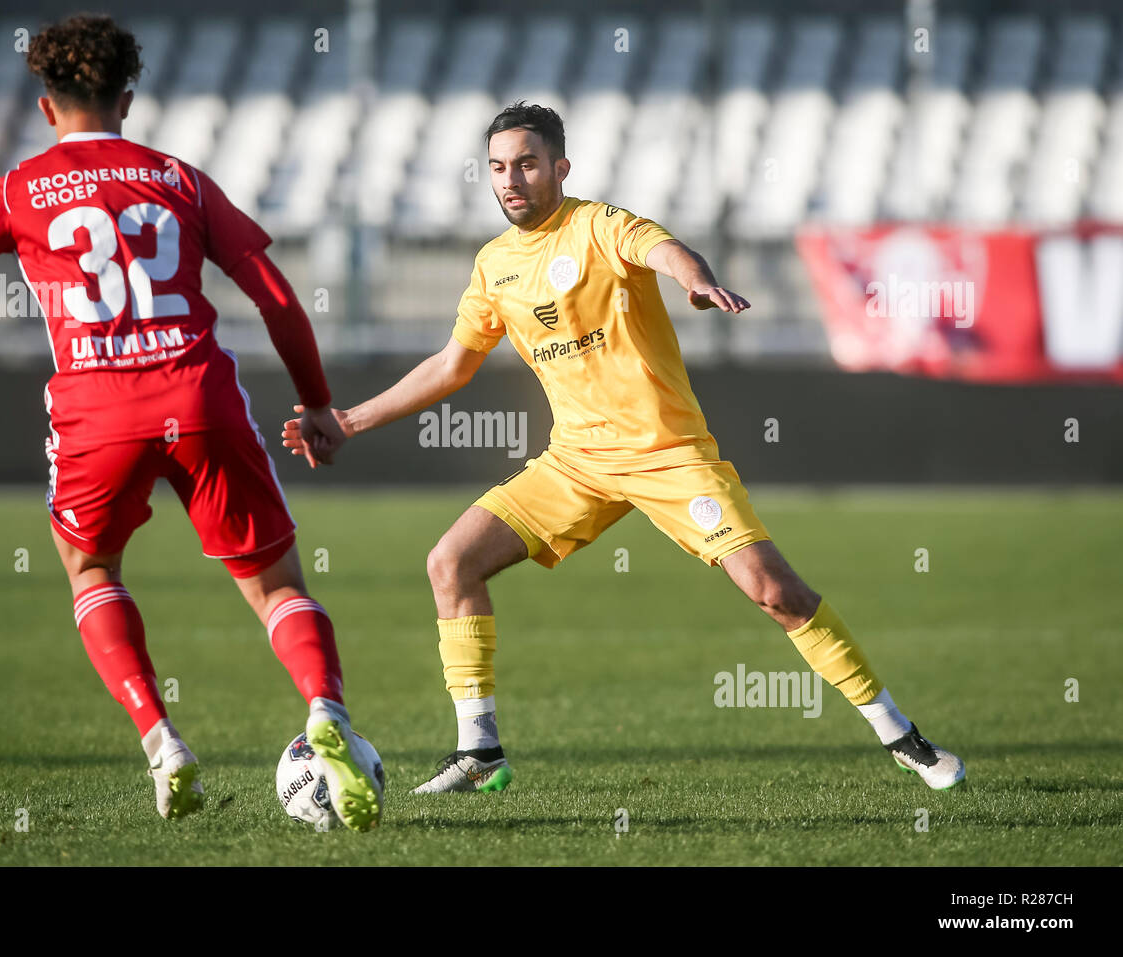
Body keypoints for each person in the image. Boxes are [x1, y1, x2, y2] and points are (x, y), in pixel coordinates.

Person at [283, 101, 964, 795]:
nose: (510, 179)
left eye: (525, 163)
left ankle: (900, 734)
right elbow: (453, 364)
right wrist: (350, 419)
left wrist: (692, 277)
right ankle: (479, 752)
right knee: (451, 562)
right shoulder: (493, 266)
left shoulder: (599, 225)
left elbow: (663, 249)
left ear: (559, 167)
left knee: (775, 591)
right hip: (576, 460)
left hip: (669, 454)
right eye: (497, 167)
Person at [0, 14, 379, 828]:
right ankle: (326, 712)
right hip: (198, 396)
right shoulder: (179, 179)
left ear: (46, 108)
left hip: (96, 411)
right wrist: (317, 402)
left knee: (92, 570)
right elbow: (278, 296)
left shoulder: (19, 190)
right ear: (128, 100)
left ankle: (161, 738)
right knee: (277, 585)